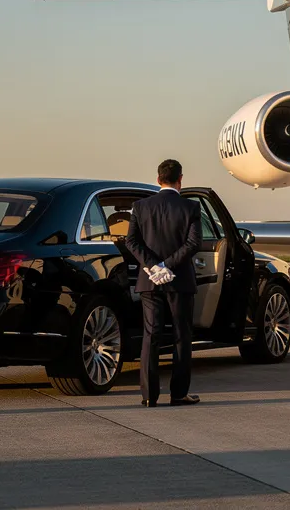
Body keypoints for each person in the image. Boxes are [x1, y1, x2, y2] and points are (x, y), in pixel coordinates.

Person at [125, 159, 201, 407]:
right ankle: (178, 394)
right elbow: (193, 245)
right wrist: (167, 266)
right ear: (181, 179)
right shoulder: (191, 207)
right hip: (180, 281)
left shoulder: (140, 207)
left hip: (149, 281)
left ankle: (148, 396)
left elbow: (132, 243)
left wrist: (153, 267)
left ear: (158, 179)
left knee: (151, 335)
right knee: (182, 336)